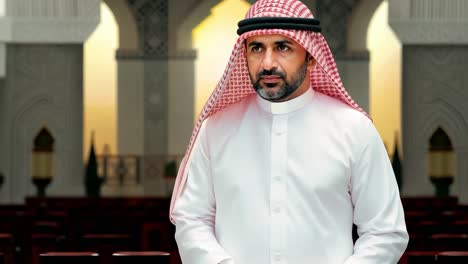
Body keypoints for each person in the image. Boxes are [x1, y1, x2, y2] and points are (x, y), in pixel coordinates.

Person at [170, 0, 409, 263]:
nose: (267, 63)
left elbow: (385, 231)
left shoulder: (354, 129)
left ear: (310, 56)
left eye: (282, 47)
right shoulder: (215, 129)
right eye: (256, 48)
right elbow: (191, 219)